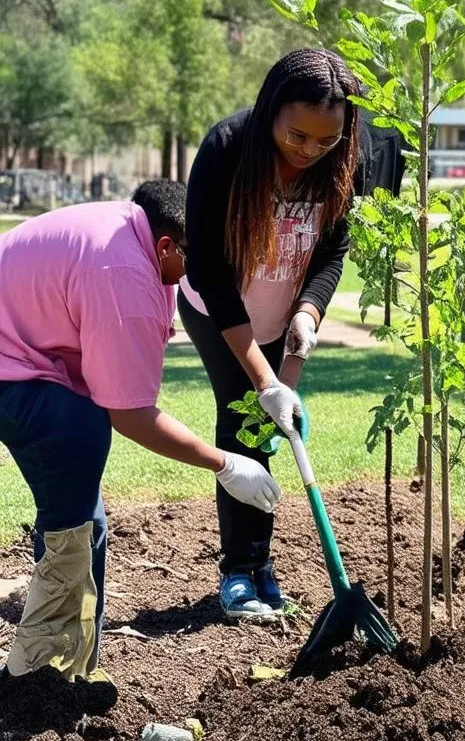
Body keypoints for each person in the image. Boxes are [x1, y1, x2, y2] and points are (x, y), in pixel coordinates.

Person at [0, 181, 281, 680]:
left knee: (83, 506)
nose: (203, 276)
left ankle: (68, 660)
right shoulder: (124, 273)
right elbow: (129, 413)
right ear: (168, 246)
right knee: (80, 464)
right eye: (198, 262)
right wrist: (225, 463)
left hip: (22, 351)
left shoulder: (135, 236)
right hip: (13, 372)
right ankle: (46, 672)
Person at [181, 47, 366, 620]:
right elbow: (209, 270)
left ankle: (258, 565)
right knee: (245, 422)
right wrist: (264, 382)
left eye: (325, 140)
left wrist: (302, 330)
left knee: (272, 429)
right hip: (218, 309)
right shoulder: (228, 149)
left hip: (285, 312)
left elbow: (331, 252)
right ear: (271, 111)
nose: (310, 150)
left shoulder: (342, 162)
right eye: (298, 135)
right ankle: (241, 570)